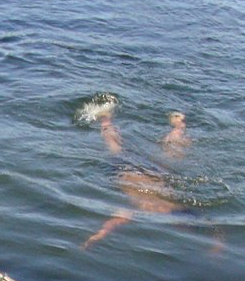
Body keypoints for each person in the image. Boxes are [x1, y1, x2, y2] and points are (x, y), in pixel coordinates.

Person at [83, 106, 199, 249]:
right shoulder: (154, 209)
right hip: (131, 170)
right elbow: (119, 219)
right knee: (115, 146)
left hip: (146, 171)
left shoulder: (173, 204)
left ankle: (178, 126)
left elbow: (117, 219)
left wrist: (100, 235)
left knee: (171, 153)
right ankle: (106, 119)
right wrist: (99, 235)